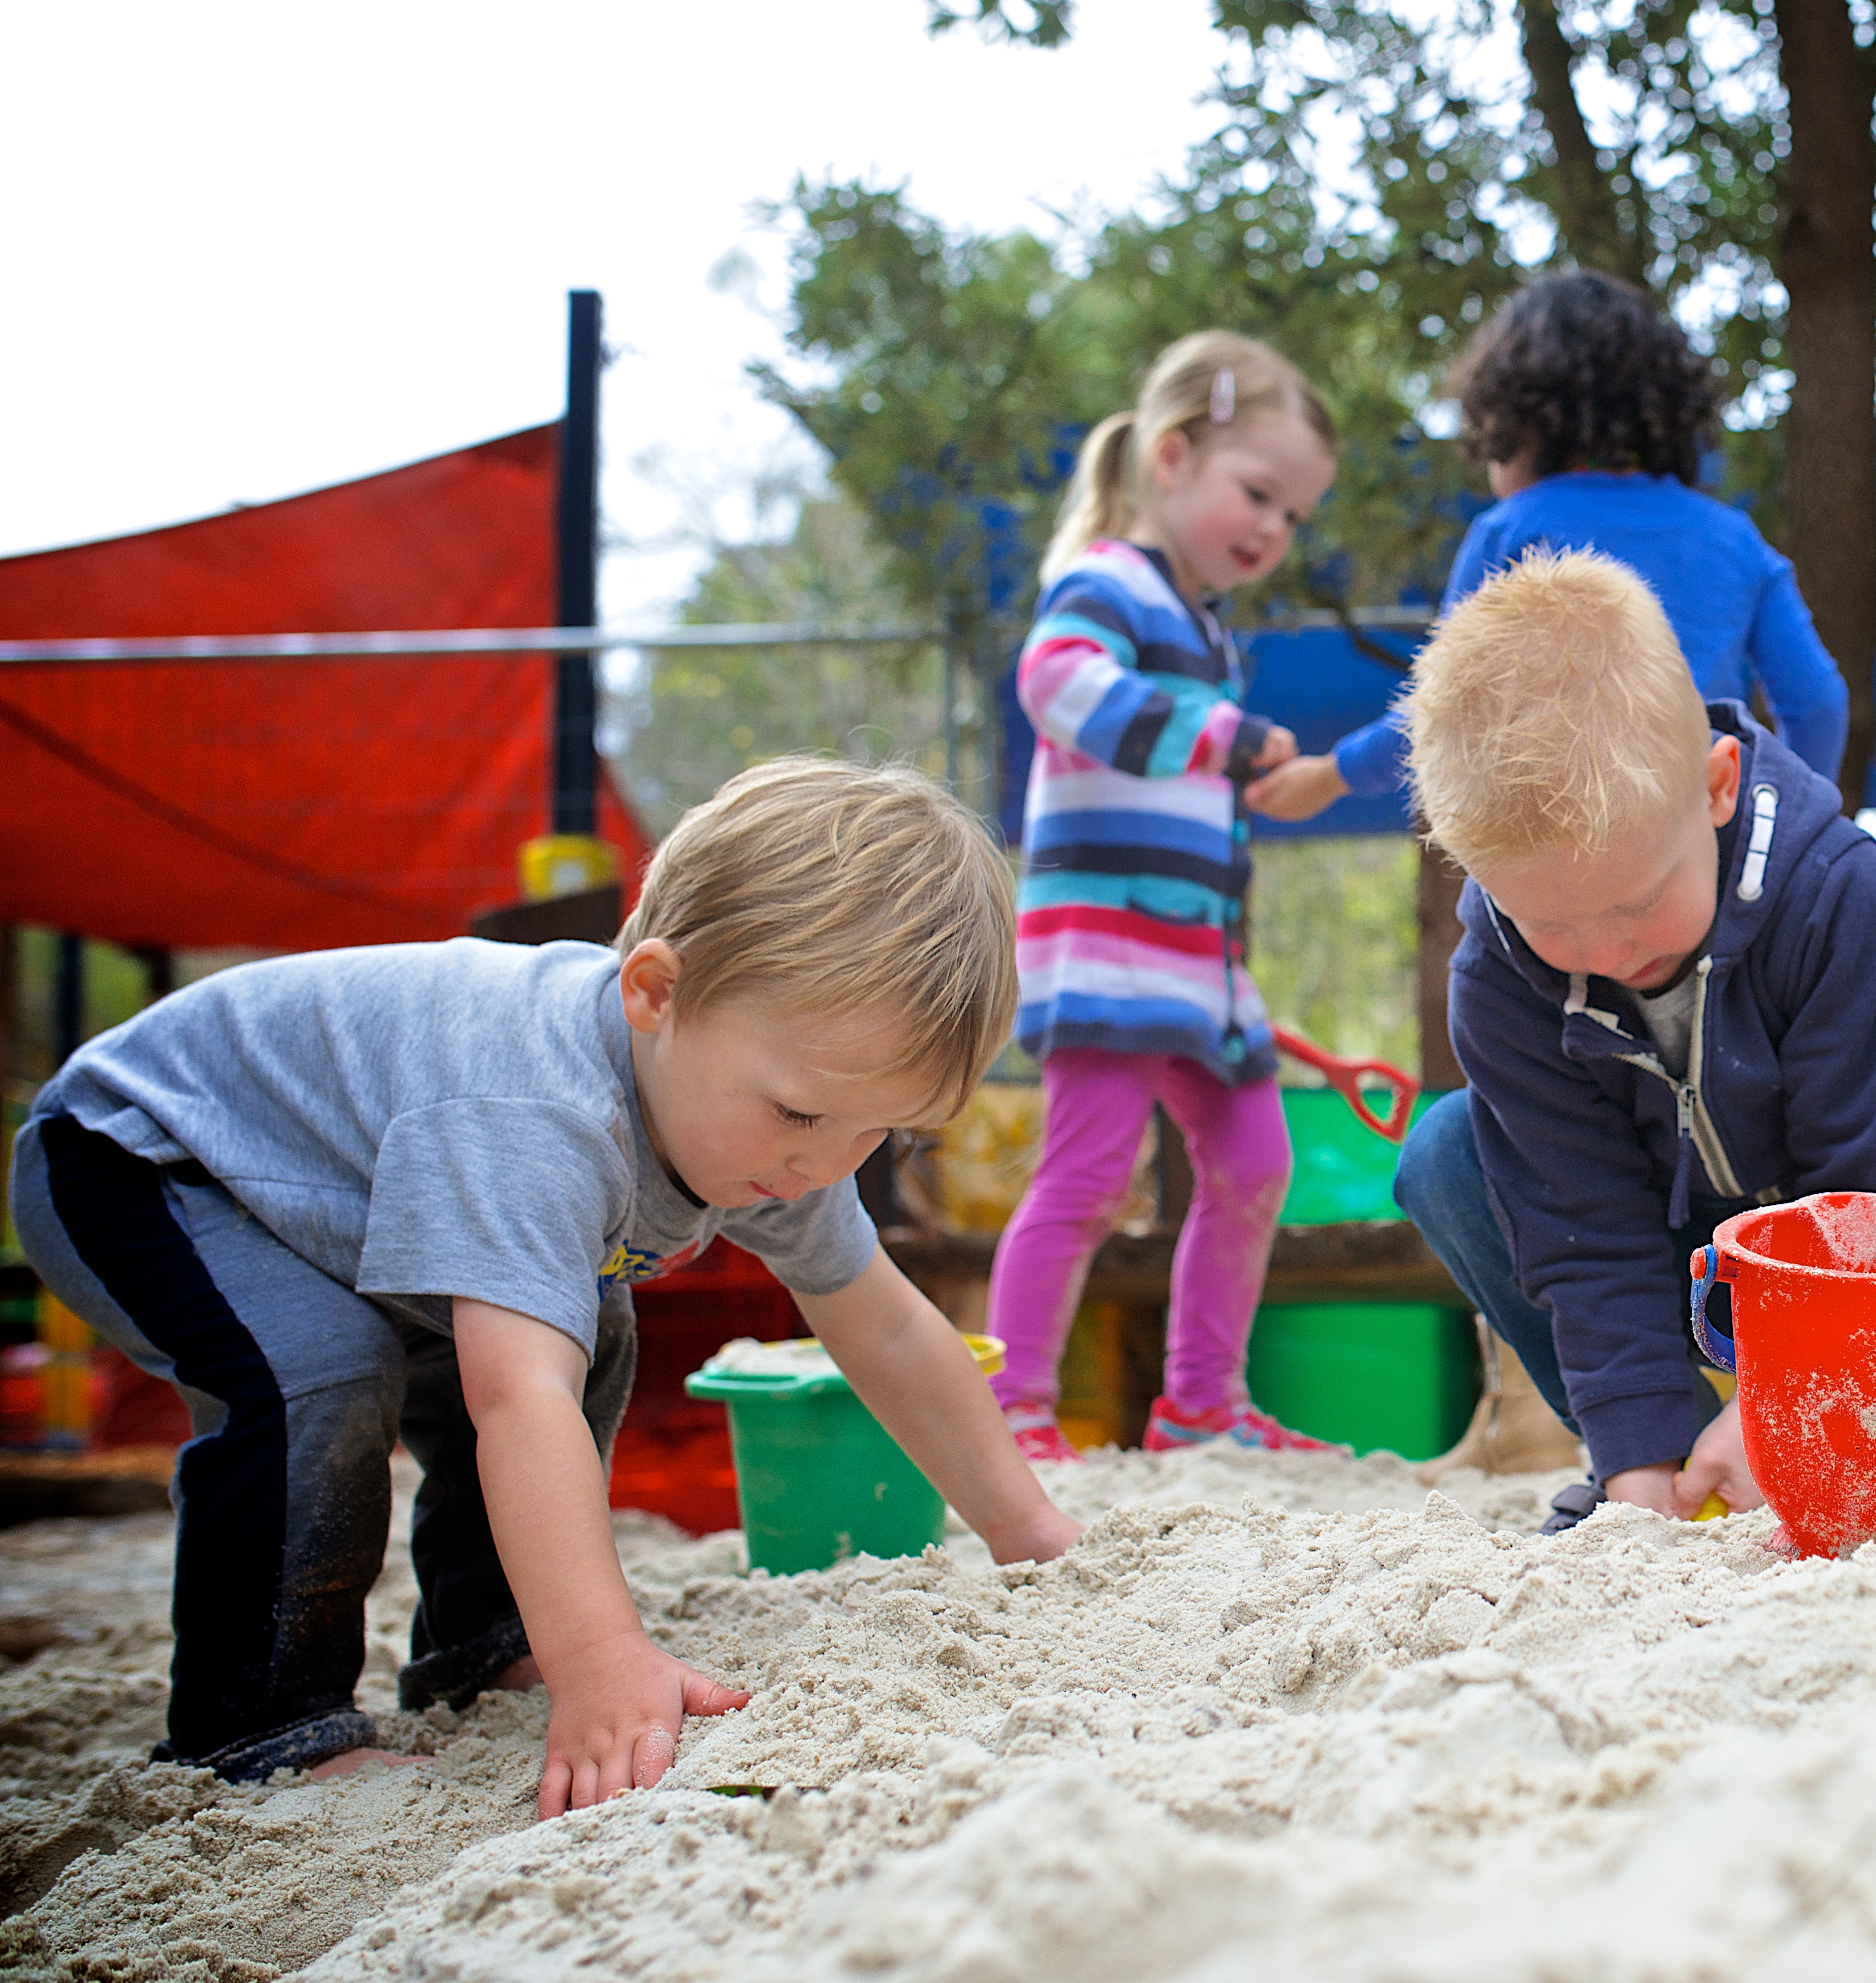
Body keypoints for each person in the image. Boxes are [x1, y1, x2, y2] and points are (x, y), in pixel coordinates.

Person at [11, 758, 1082, 1819]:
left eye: (878, 1131)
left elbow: (888, 1328)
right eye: (802, 1116)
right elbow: (515, 1398)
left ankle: (485, 1638)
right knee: (323, 1368)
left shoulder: (775, 1114)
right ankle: (255, 1721)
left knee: (587, 1326)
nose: (826, 1165)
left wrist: (1028, 1528)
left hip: (328, 1194)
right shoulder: (537, 1109)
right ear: (655, 992)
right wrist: (603, 1658)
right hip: (144, 1155)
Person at [1389, 548, 1876, 1531]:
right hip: (1681, 1265)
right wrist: (1640, 1480)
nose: (1602, 950)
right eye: (1554, 926)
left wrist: (1797, 1401)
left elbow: (1861, 1183)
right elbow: (1583, 1234)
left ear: (1716, 789)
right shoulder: (1498, 979)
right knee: (1443, 1151)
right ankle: (1649, 1454)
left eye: (1633, 902)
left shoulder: (1833, 891)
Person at [988, 331, 1346, 1461]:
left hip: (1200, 962)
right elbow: (1055, 685)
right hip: (1106, 949)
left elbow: (1197, 793)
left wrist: (1254, 778)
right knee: (1087, 1177)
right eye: (1259, 494)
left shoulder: (1208, 631)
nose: (1273, 532)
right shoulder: (1109, 582)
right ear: (1174, 454)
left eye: (1294, 517)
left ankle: (1201, 1407)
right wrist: (1224, 737)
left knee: (1254, 1165)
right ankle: (1012, 1412)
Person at [1244, 271, 1848, 822]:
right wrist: (1784, 828)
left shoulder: (1511, 533)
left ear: (1517, 420)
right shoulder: (1735, 539)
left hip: (1557, 855)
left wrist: (1329, 776)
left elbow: (1442, 713)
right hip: (1699, 845)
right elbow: (1818, 704)